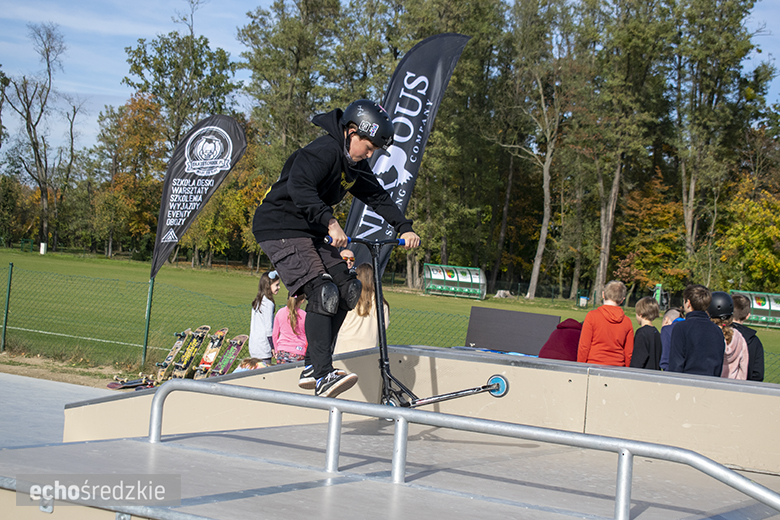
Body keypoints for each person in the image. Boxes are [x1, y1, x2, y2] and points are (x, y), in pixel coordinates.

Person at [251, 99, 420, 398]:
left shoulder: (353, 165)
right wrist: (330, 223)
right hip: (280, 227)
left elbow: (378, 196)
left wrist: (403, 226)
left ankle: (312, 364)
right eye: (368, 148)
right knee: (323, 291)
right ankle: (322, 374)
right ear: (351, 132)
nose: (369, 155)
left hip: (309, 230)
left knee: (348, 289)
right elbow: (299, 188)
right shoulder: (322, 151)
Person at [667, 284, 725, 376]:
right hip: (709, 383)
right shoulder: (717, 330)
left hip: (687, 384)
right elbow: (718, 365)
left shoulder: (681, 328)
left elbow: (676, 364)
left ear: (688, 303)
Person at [334, 263, 390, 354]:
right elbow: (384, 326)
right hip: (369, 346)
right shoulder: (382, 304)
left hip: (345, 345)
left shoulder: (349, 298)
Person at [577, 281, 635, 366]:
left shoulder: (592, 316)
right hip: (617, 367)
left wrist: (580, 366)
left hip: (593, 365)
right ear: (622, 300)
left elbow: (584, 346)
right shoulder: (627, 322)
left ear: (603, 295)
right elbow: (629, 353)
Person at [708, 291, 749, 380]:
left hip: (710, 385)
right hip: (732, 387)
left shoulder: (708, 334)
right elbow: (743, 368)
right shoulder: (738, 336)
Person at [248, 270, 280, 364]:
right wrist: (273, 347)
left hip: (254, 345)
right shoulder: (268, 304)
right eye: (276, 285)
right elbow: (268, 329)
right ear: (268, 286)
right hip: (263, 347)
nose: (279, 287)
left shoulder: (258, 301)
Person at [732, 294, 765, 381]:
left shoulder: (718, 333)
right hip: (743, 388)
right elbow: (757, 375)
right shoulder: (754, 341)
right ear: (748, 316)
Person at [273, 294, 308, 364]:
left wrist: (276, 349)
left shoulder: (280, 312)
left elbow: (274, 334)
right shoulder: (304, 315)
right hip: (298, 351)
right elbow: (307, 336)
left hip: (282, 351)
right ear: (302, 300)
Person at [629, 296, 662, 370]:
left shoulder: (641, 333)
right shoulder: (656, 332)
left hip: (644, 375)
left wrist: (632, 372)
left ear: (640, 314)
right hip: (655, 373)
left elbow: (638, 358)